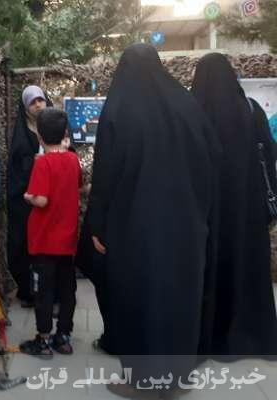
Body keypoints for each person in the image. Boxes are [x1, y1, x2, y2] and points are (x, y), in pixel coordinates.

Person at [80, 44, 221, 397]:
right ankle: (176, 378)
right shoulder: (187, 105)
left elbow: (106, 173)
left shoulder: (120, 108)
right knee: (179, 297)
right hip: (186, 225)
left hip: (135, 227)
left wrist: (97, 224)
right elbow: (212, 161)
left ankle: (142, 381)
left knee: (137, 297)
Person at [192, 53, 277, 360]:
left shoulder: (194, 113)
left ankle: (210, 337)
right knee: (248, 266)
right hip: (248, 210)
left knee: (209, 269)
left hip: (208, 211)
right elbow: (269, 155)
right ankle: (253, 337)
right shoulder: (252, 110)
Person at [18, 108, 82, 359]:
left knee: (43, 292)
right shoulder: (73, 160)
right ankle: (63, 336)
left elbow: (42, 200)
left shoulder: (42, 163)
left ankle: (43, 339)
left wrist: (28, 196)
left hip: (44, 241)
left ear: (40, 137)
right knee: (67, 290)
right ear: (65, 133)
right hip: (67, 241)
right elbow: (78, 185)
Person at [6, 86, 52, 307]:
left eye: (40, 100)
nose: (38, 105)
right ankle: (28, 291)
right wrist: (32, 163)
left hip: (50, 199)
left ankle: (52, 292)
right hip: (26, 199)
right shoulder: (22, 132)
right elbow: (17, 165)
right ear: (25, 107)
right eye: (32, 102)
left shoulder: (54, 125)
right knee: (24, 244)